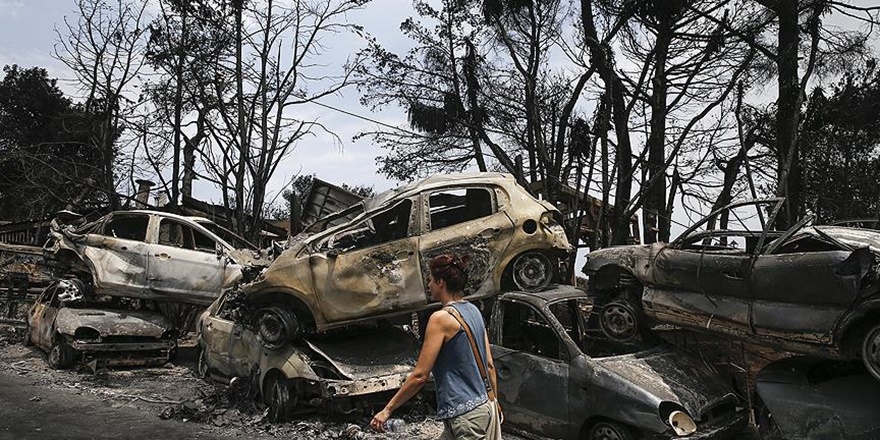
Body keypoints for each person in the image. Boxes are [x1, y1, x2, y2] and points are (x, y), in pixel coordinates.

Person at [370, 254, 501, 439]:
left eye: (431, 280)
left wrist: (387, 409)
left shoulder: (440, 319)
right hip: (482, 408)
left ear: (441, 282)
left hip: (465, 418)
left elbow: (420, 376)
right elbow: (489, 365)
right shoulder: (474, 310)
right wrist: (494, 401)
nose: (429, 285)